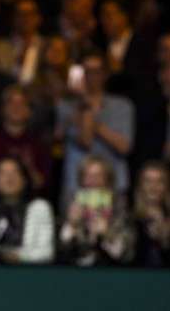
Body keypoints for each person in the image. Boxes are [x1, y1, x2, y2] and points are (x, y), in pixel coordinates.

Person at [56, 51, 135, 212]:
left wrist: (94, 123)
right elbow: (85, 140)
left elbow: (124, 147)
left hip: (114, 187)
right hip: (76, 187)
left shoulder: (122, 106)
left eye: (96, 71)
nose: (91, 77)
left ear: (105, 74)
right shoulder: (66, 107)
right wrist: (85, 104)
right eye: (86, 71)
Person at [57, 154, 135, 266]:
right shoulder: (72, 210)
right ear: (81, 181)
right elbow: (61, 254)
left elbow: (128, 256)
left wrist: (109, 235)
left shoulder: (120, 213)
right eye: (87, 176)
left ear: (108, 181)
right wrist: (71, 225)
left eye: (98, 175)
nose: (93, 181)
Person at [0, 156, 55, 265]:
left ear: (25, 180)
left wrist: (19, 256)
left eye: (15, 172)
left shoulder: (40, 208)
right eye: (3, 173)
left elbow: (47, 253)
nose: (9, 177)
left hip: (29, 276)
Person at [131, 160, 170, 267]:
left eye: (159, 181)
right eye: (148, 181)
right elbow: (127, 257)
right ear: (140, 185)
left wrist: (165, 239)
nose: (153, 187)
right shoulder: (130, 217)